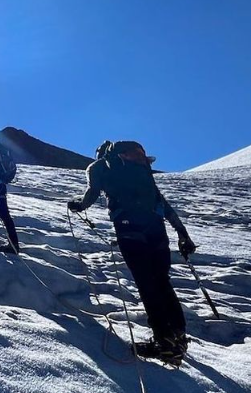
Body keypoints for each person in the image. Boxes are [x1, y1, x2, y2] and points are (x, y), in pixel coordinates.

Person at [68, 140, 196, 365]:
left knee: (146, 284)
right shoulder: (142, 169)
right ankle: (178, 337)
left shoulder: (100, 167)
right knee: (162, 282)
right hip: (157, 230)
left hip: (129, 230)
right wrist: (183, 233)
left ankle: (164, 344)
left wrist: (78, 205)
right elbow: (162, 202)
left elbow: (92, 193)